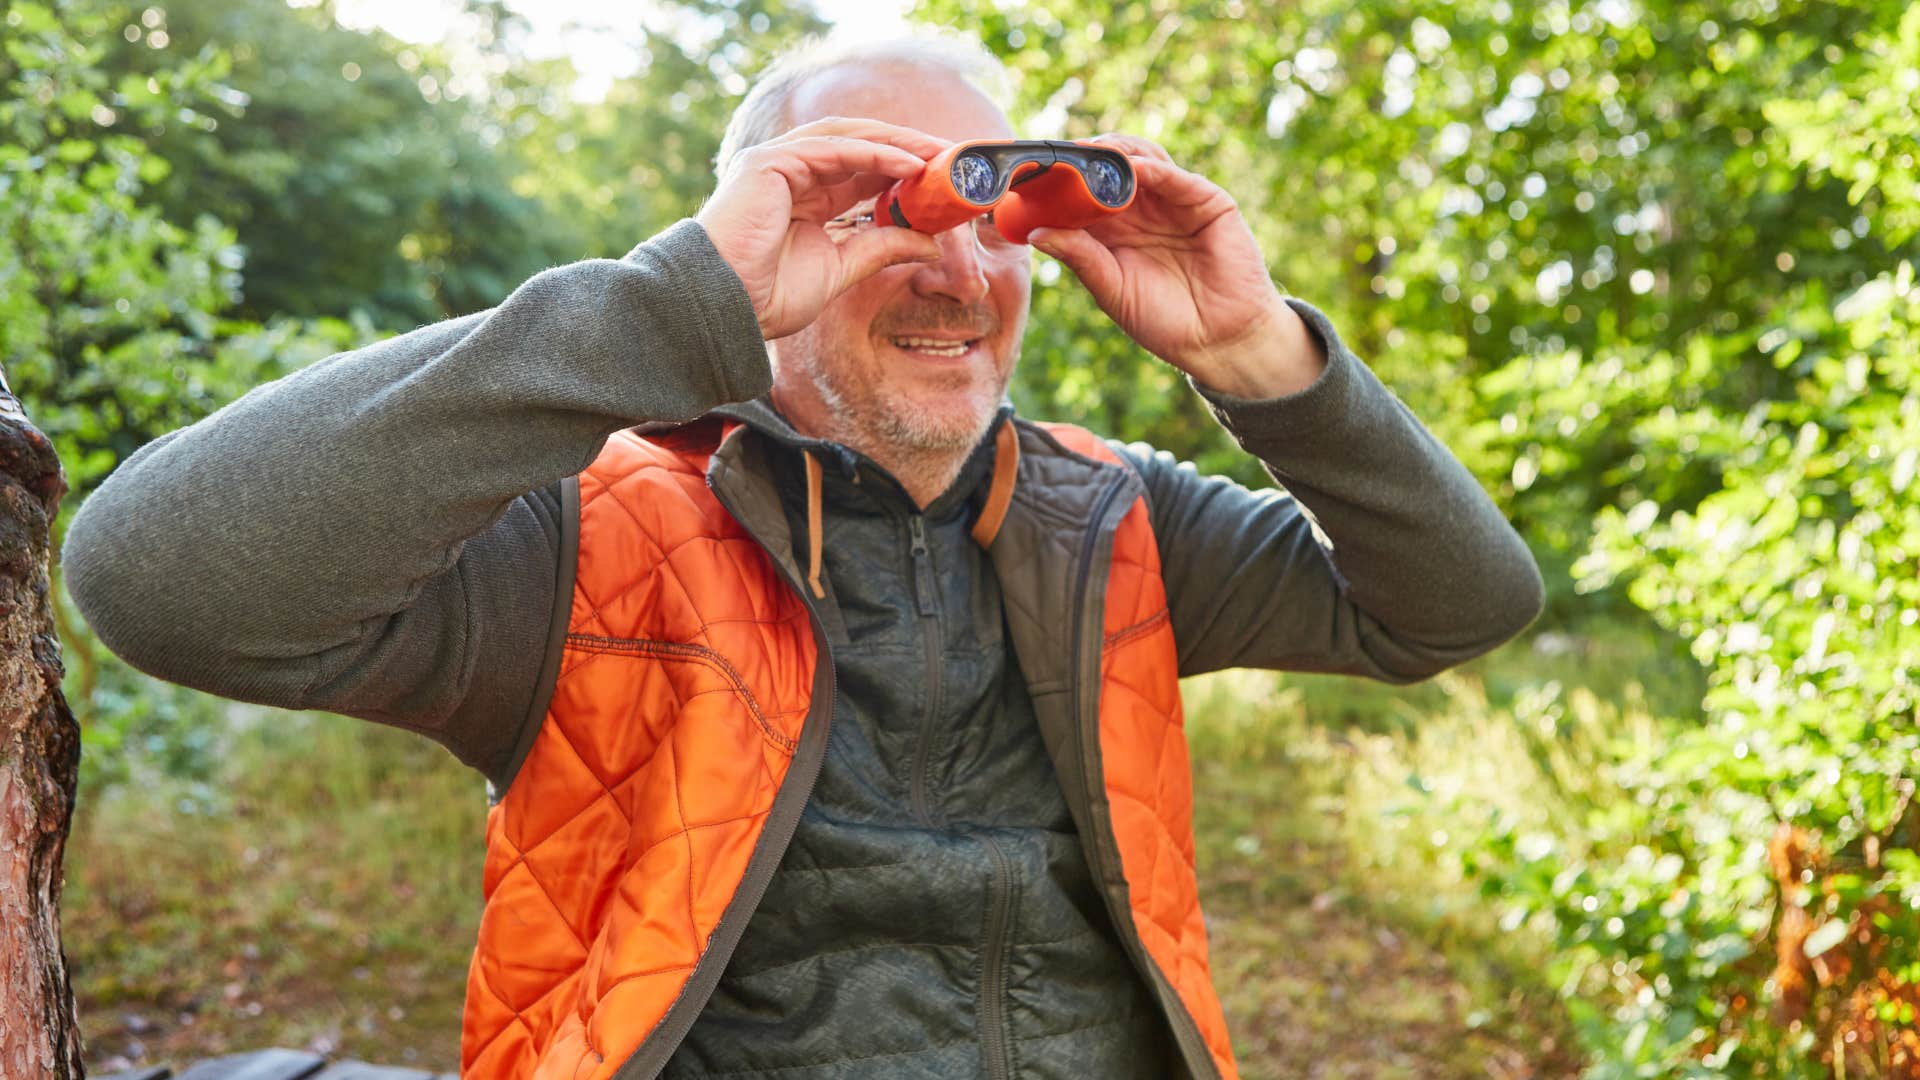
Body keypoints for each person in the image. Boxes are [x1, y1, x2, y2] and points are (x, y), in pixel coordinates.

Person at [63, 30, 1544, 1080]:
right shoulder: (596, 531)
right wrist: (662, 308)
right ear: (759, 243)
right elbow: (152, 578)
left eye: (998, 211)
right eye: (884, 210)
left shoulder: (1117, 520)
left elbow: (1463, 604)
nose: (960, 267)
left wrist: (1263, 358)